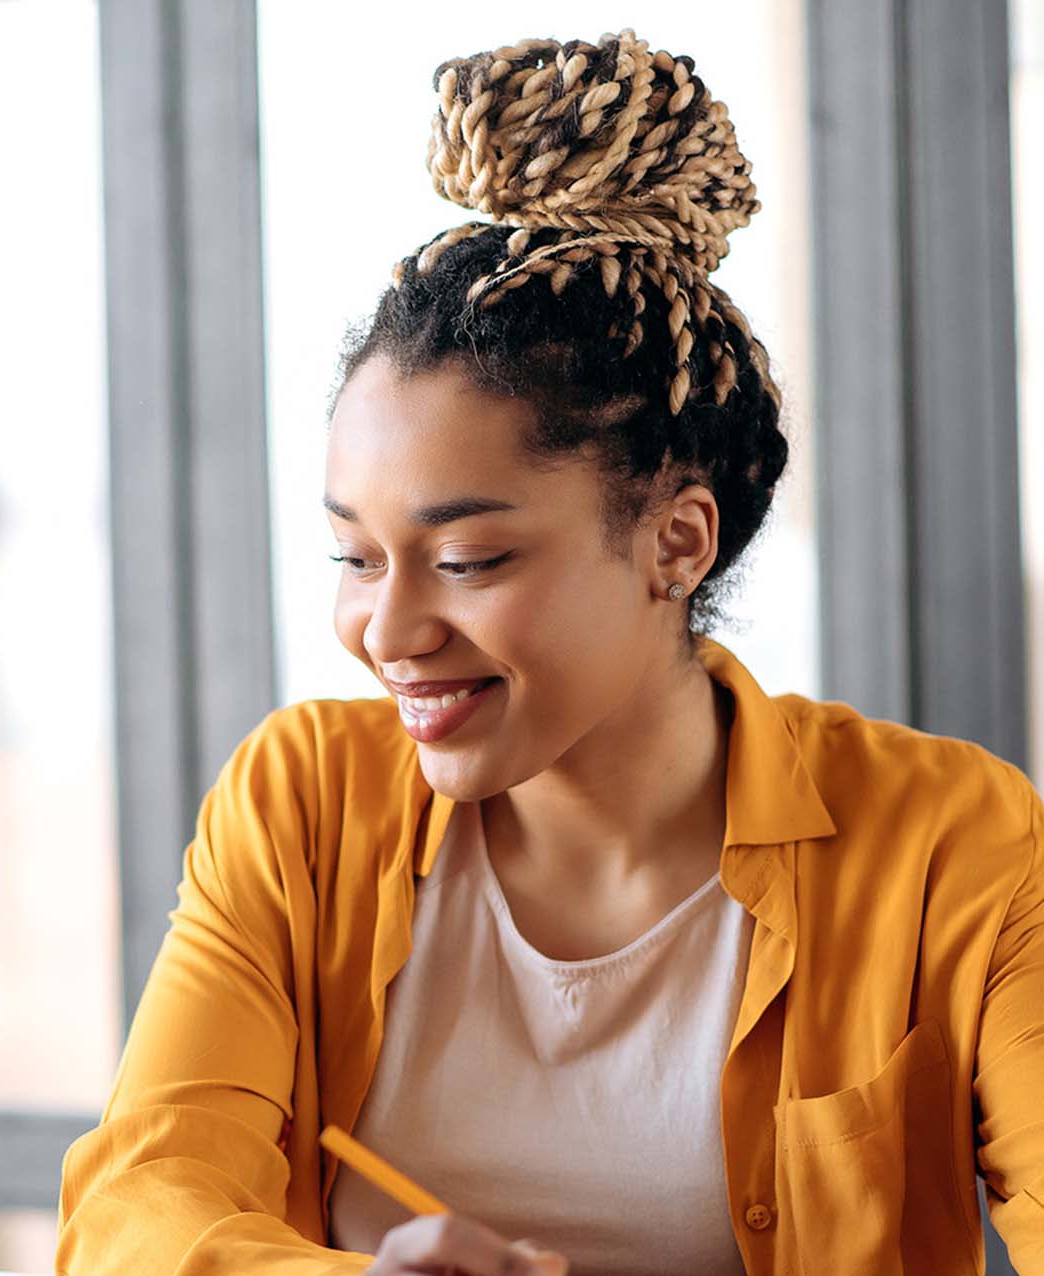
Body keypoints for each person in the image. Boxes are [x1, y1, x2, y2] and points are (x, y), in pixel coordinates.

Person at [54, 28, 1043, 1276]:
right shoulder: (299, 804)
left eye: (468, 562)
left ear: (675, 543)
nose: (391, 632)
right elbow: (139, 1206)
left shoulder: (954, 843)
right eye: (356, 558)